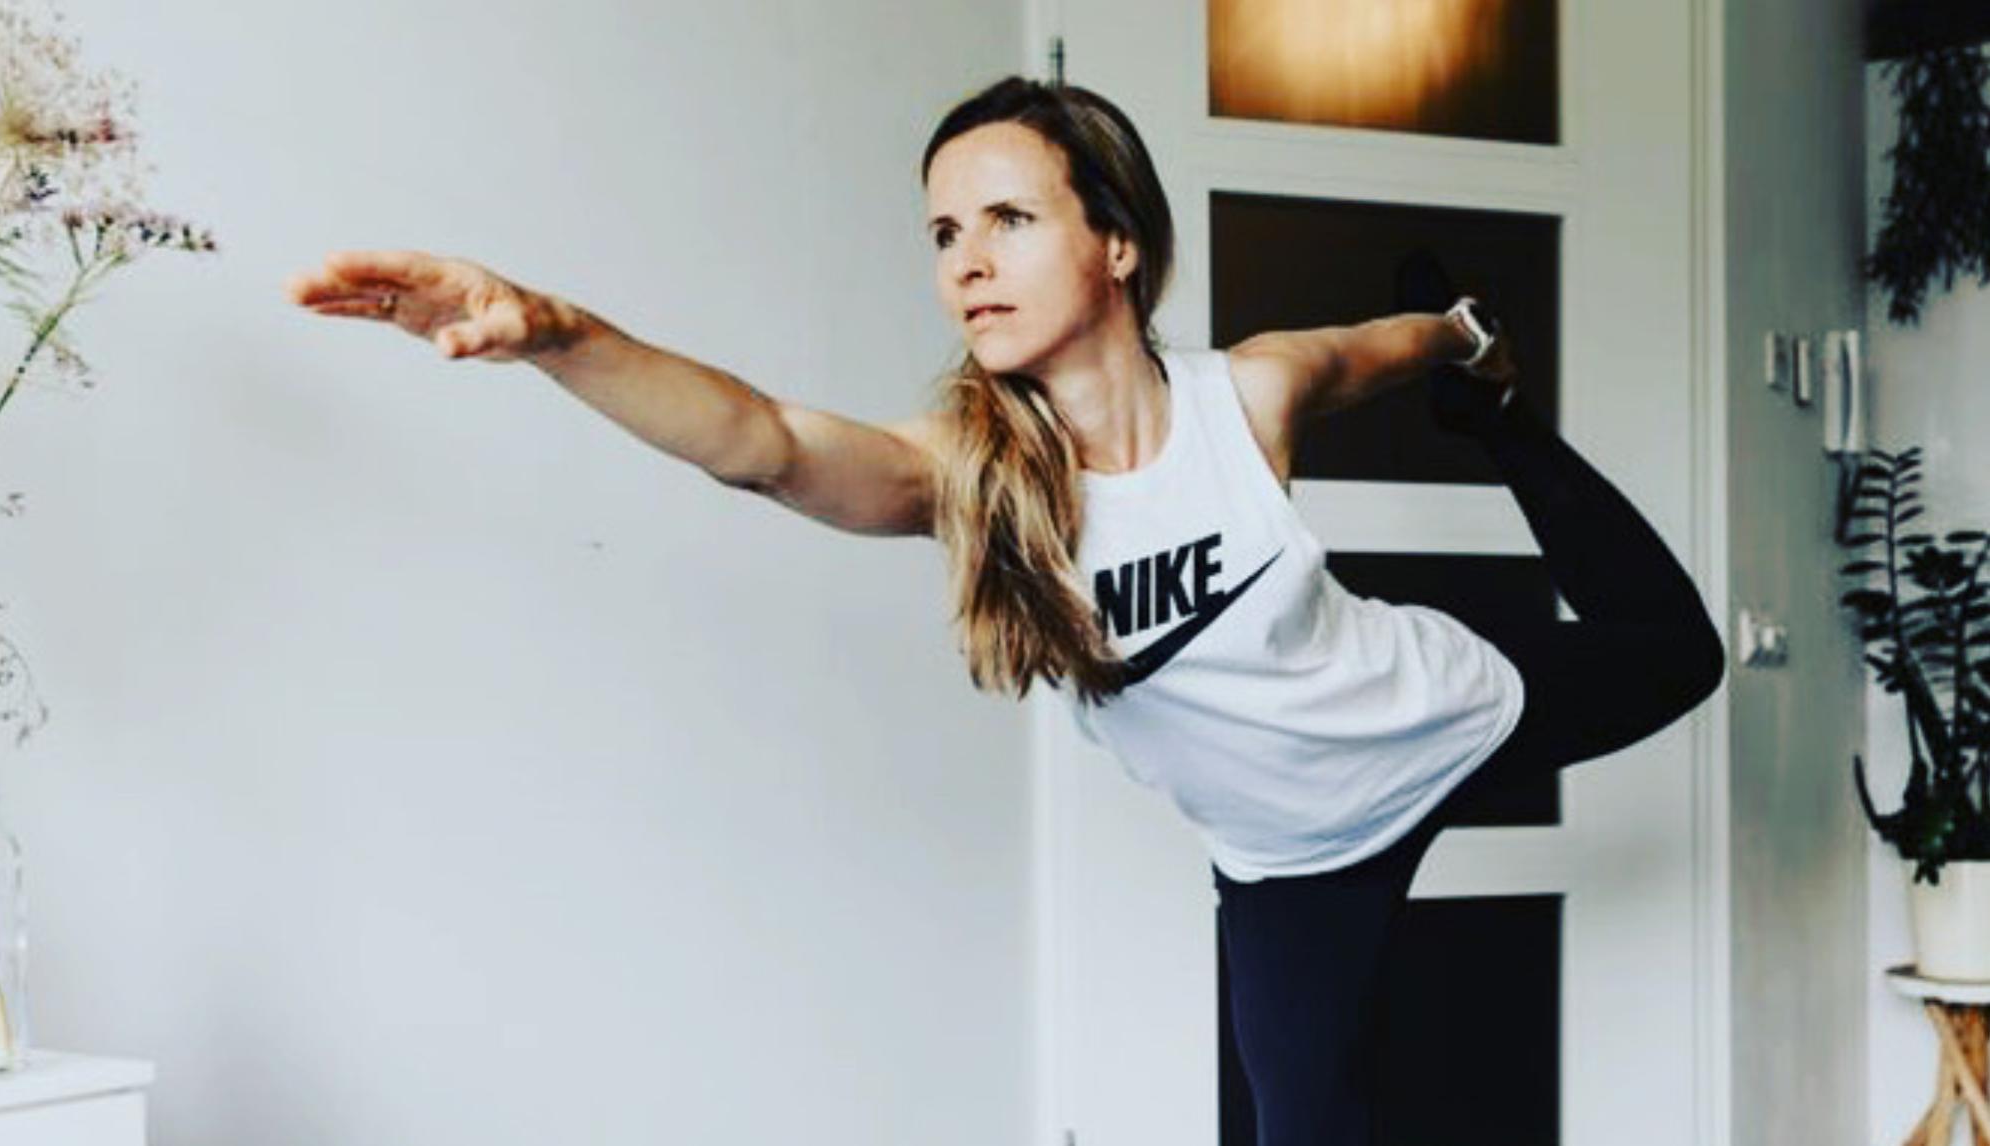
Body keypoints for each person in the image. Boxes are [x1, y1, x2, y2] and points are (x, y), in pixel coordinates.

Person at [284, 74, 1724, 1146]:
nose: (964, 261)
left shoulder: (1251, 394)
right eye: (944, 231)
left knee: (1681, 655)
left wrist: (1463, 340)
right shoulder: (973, 481)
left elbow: (1371, 348)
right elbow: (763, 442)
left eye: (1009, 220)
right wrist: (557, 333)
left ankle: (1509, 436)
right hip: (1297, 864)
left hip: (1433, 710)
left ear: (1116, 244)